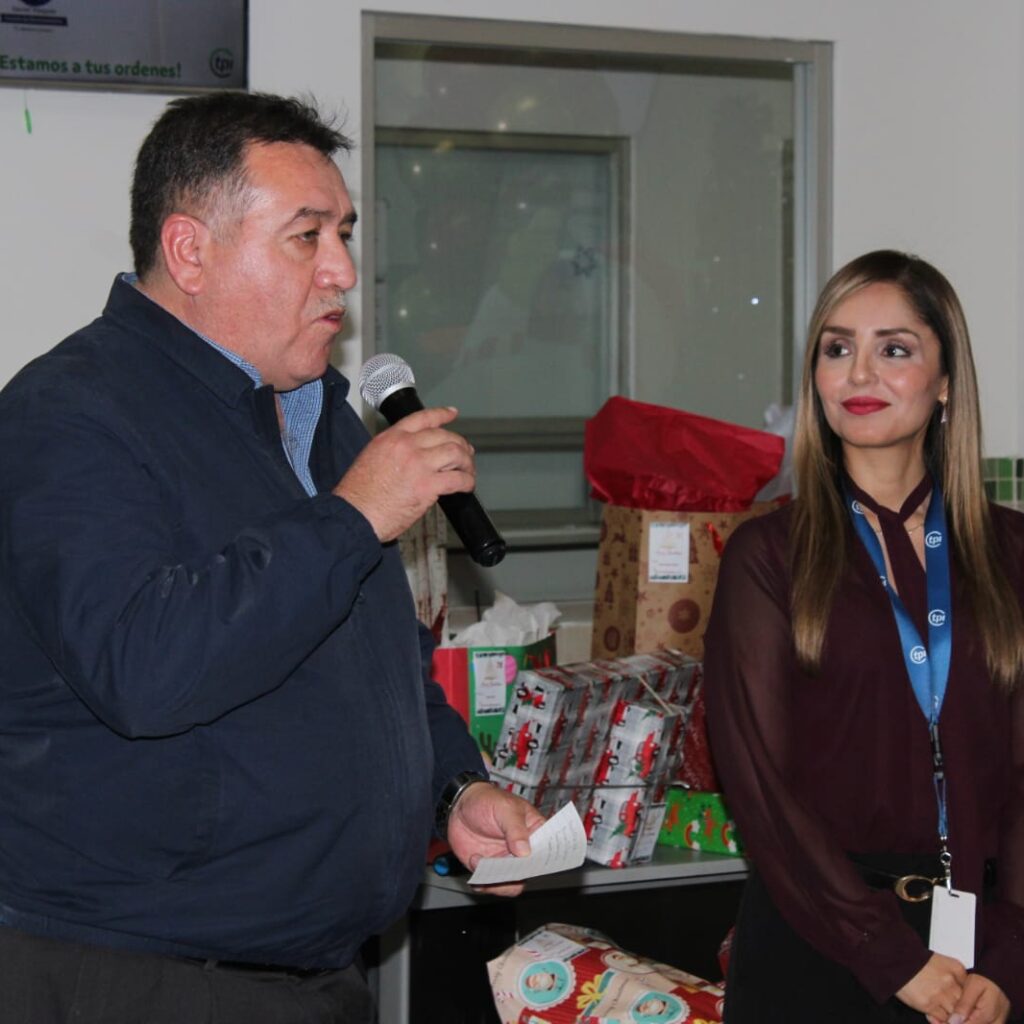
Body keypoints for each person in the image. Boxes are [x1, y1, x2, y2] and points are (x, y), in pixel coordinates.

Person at [0, 91, 544, 1023]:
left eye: (346, 233)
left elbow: (380, 665)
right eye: (307, 236)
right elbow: (145, 666)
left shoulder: (322, 416)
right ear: (189, 251)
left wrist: (452, 789)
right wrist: (352, 516)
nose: (342, 271)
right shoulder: (70, 415)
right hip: (140, 973)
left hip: (317, 973)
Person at [705, 250, 1024, 1024]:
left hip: (987, 956)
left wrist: (1013, 953)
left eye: (895, 349)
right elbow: (761, 788)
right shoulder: (768, 555)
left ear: (945, 381)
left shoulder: (1012, 551)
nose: (858, 374)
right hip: (819, 945)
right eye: (837, 348)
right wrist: (889, 955)